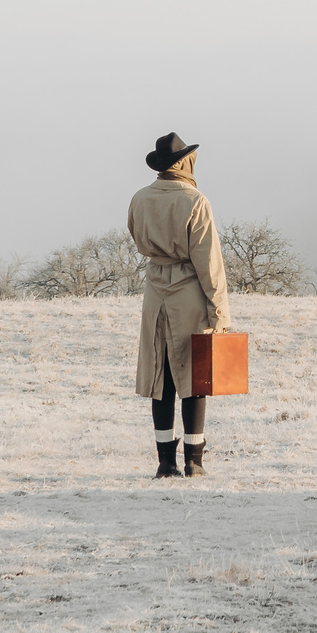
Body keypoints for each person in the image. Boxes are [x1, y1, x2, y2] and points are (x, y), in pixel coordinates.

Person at [127, 131, 230, 479]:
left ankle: (164, 462)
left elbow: (135, 236)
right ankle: (194, 461)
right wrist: (220, 311)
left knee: (161, 377)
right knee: (194, 376)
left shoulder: (139, 199)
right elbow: (209, 262)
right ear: (184, 161)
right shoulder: (196, 201)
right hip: (189, 291)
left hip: (154, 288)